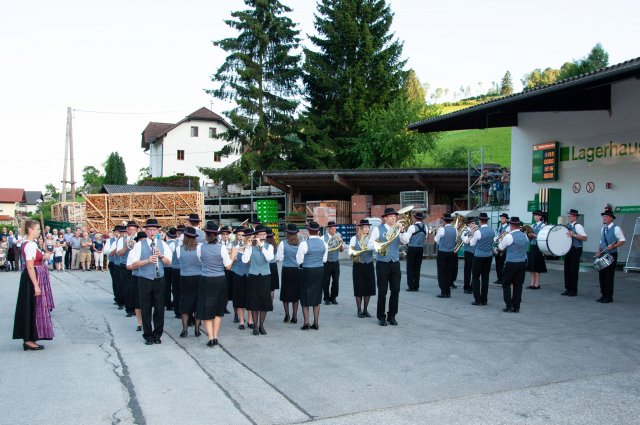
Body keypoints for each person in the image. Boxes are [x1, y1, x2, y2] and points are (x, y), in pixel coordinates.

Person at [127, 219, 172, 345]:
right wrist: (147, 260)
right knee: (145, 307)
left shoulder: (163, 244)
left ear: (158, 231)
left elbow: (169, 262)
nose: (152, 232)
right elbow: (131, 265)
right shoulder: (138, 245)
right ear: (145, 231)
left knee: (159, 308)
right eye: (149, 229)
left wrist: (161, 256)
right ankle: (148, 335)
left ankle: (158, 334)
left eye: (154, 229)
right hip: (145, 279)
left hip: (159, 278)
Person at [13, 219, 55, 350]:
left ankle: (31, 337)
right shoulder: (29, 245)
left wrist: (45, 254)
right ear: (30, 230)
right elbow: (30, 266)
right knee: (31, 308)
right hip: (32, 278)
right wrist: (36, 285)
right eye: (37, 229)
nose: (38, 232)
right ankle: (28, 339)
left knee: (33, 308)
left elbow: (40, 258)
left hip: (33, 276)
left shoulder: (31, 244)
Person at [368, 207, 411, 326]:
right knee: (382, 291)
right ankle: (381, 316)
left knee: (396, 290)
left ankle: (392, 315)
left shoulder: (398, 229)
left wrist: (401, 231)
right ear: (385, 218)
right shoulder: (378, 229)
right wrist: (379, 245)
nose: (394, 217)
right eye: (391, 216)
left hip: (395, 262)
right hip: (382, 263)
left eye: (395, 216)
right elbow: (370, 245)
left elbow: (406, 241)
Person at [197, 222, 232, 347]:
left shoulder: (200, 247)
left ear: (206, 235)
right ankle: (216, 336)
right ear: (216, 236)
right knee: (218, 309)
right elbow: (228, 266)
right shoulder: (221, 248)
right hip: (219, 279)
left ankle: (210, 337)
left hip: (205, 279)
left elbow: (200, 260)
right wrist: (232, 255)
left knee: (207, 308)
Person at [242, 225, 275, 335]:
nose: (262, 236)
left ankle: (261, 325)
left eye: (264, 234)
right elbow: (245, 260)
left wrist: (262, 247)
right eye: (260, 234)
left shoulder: (269, 246)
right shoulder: (251, 247)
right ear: (256, 235)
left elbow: (270, 258)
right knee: (254, 301)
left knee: (264, 301)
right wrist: (247, 247)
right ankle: (255, 326)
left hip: (265, 276)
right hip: (253, 276)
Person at [296, 221, 328, 330]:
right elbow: (324, 259)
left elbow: (299, 260)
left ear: (308, 231)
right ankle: (316, 323)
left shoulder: (304, 244)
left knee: (305, 296)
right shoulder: (324, 243)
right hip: (319, 270)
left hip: (307, 270)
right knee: (317, 296)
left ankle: (306, 323)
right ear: (318, 232)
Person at [498, 217, 528, 312]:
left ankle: (509, 305)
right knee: (518, 285)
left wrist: (502, 238)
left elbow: (500, 248)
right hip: (522, 262)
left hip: (511, 262)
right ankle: (516, 307)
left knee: (506, 283)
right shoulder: (525, 236)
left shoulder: (509, 236)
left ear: (511, 225)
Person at [595, 209, 625, 303]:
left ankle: (609, 296)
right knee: (602, 276)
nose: (604, 218)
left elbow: (622, 240)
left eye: (606, 216)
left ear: (611, 218)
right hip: (603, 254)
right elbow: (601, 242)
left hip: (611, 254)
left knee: (608, 276)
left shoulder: (616, 228)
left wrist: (613, 246)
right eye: (604, 216)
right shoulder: (603, 229)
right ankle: (603, 294)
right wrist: (598, 252)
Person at [176, 227, 202, 337]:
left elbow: (179, 259)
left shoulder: (179, 248)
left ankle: (185, 329)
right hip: (197, 277)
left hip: (185, 278)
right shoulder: (199, 248)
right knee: (197, 303)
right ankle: (197, 329)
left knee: (185, 303)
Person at [349, 219, 375, 318]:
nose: (367, 229)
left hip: (369, 264)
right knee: (359, 288)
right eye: (365, 227)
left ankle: (365, 310)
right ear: (361, 228)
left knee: (368, 288)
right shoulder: (354, 238)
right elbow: (350, 252)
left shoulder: (371, 239)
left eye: (368, 227)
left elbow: (375, 248)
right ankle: (359, 310)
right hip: (358, 265)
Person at [276, 223, 301, 324]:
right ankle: (295, 316)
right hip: (296, 270)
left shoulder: (283, 243)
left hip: (286, 269)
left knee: (285, 292)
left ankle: (287, 314)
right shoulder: (300, 244)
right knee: (295, 293)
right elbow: (301, 259)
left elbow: (279, 258)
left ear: (287, 233)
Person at [469, 212, 495, 306]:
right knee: (485, 278)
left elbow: (472, 244)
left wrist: (472, 234)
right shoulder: (492, 231)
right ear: (486, 220)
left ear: (480, 221)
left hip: (479, 256)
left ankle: (477, 299)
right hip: (488, 256)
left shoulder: (478, 232)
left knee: (475, 277)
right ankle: (484, 299)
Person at [230, 227, 253, 330]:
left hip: (249, 274)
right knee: (239, 297)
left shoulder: (252, 246)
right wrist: (233, 258)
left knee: (250, 297)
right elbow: (229, 262)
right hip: (238, 274)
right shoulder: (234, 246)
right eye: (239, 235)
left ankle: (250, 320)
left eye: (243, 235)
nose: (240, 237)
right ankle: (241, 321)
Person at [563, 209, 588, 297]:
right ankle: (568, 288)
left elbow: (585, 238)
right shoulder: (568, 225)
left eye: (572, 216)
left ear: (576, 217)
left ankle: (573, 290)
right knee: (567, 269)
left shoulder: (578, 226)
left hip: (576, 249)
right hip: (568, 249)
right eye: (569, 215)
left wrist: (574, 235)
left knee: (573, 270)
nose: (570, 217)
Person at [117, 221, 139, 318]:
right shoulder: (122, 239)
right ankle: (129, 309)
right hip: (125, 265)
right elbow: (119, 253)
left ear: (136, 230)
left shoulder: (140, 239)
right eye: (129, 229)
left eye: (133, 230)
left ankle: (136, 308)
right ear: (126, 230)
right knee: (126, 288)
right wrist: (127, 246)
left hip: (136, 265)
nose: (131, 232)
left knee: (136, 288)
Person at [127, 231, 147, 332]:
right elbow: (129, 266)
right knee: (137, 302)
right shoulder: (133, 251)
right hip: (137, 277)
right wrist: (139, 264)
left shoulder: (150, 251)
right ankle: (139, 323)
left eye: (144, 240)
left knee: (147, 301)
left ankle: (146, 320)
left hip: (148, 278)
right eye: (141, 240)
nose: (143, 242)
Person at [434, 213, 457, 298]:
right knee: (448, 272)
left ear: (444, 221)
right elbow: (455, 240)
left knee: (441, 273)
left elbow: (436, 240)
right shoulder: (455, 229)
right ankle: (448, 291)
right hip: (451, 253)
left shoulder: (441, 229)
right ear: (451, 221)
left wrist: (442, 244)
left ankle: (444, 291)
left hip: (442, 252)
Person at [405, 212, 428, 292]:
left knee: (410, 267)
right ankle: (416, 286)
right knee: (417, 268)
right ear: (422, 219)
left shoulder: (412, 227)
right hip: (420, 248)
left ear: (415, 218)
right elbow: (426, 238)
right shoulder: (426, 227)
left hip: (412, 248)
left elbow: (406, 239)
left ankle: (411, 286)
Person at [322, 221, 343, 305]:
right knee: (326, 281)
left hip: (335, 262)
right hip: (326, 262)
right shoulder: (323, 238)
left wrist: (340, 242)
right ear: (328, 229)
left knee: (336, 281)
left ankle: (333, 297)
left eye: (334, 229)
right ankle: (326, 298)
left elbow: (341, 250)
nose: (333, 230)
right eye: (331, 229)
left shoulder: (338, 237)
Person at [526, 210, 547, 289]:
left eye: (536, 215)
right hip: (532, 245)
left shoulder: (543, 226)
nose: (535, 216)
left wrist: (534, 235)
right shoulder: (533, 225)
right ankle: (532, 283)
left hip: (539, 246)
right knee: (531, 265)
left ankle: (537, 284)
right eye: (534, 215)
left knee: (537, 265)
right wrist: (529, 235)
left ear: (540, 216)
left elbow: (544, 236)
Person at [460, 218, 476, 295]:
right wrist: (472, 234)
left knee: (475, 270)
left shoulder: (477, 231)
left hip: (476, 252)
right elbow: (466, 241)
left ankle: (473, 286)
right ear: (469, 224)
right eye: (472, 223)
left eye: (474, 223)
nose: (474, 225)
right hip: (468, 252)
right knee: (467, 270)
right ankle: (466, 287)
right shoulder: (465, 231)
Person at [163, 228, 177, 312]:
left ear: (168, 236)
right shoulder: (177, 244)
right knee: (175, 286)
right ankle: (175, 302)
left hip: (166, 266)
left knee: (167, 286)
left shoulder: (165, 244)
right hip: (174, 266)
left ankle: (168, 303)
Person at [494, 213, 510, 284]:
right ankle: (499, 278)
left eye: (503, 218)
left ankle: (502, 278)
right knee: (497, 264)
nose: (501, 219)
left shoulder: (508, 227)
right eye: (501, 218)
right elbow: (497, 235)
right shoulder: (500, 227)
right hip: (498, 246)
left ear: (506, 219)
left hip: (504, 248)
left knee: (502, 264)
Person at [265, 227, 279, 302]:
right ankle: (271, 303)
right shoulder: (274, 243)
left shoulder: (264, 244)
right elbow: (277, 258)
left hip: (265, 265)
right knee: (272, 287)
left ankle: (266, 302)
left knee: (265, 285)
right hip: (273, 265)